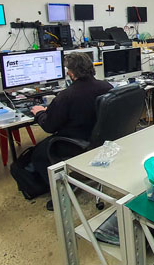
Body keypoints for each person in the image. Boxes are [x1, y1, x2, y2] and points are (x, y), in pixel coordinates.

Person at [27, 53, 112, 196]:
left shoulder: (66, 96)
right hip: (102, 139)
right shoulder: (106, 86)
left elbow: (49, 127)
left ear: (71, 73)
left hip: (76, 143)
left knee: (38, 155)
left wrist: (40, 113)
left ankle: (61, 194)